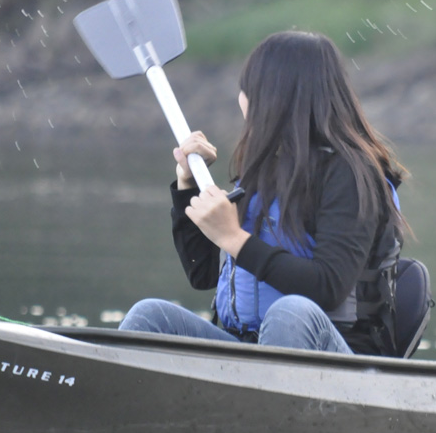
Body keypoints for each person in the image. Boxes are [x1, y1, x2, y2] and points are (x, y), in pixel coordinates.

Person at [121, 31, 406, 356]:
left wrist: (234, 238)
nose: (241, 99)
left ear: (272, 96)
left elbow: (328, 286)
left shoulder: (351, 175)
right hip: (247, 350)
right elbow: (203, 273)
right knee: (150, 316)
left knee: (290, 313)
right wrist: (188, 185)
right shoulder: (264, 170)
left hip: (335, 359)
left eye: (247, 89)